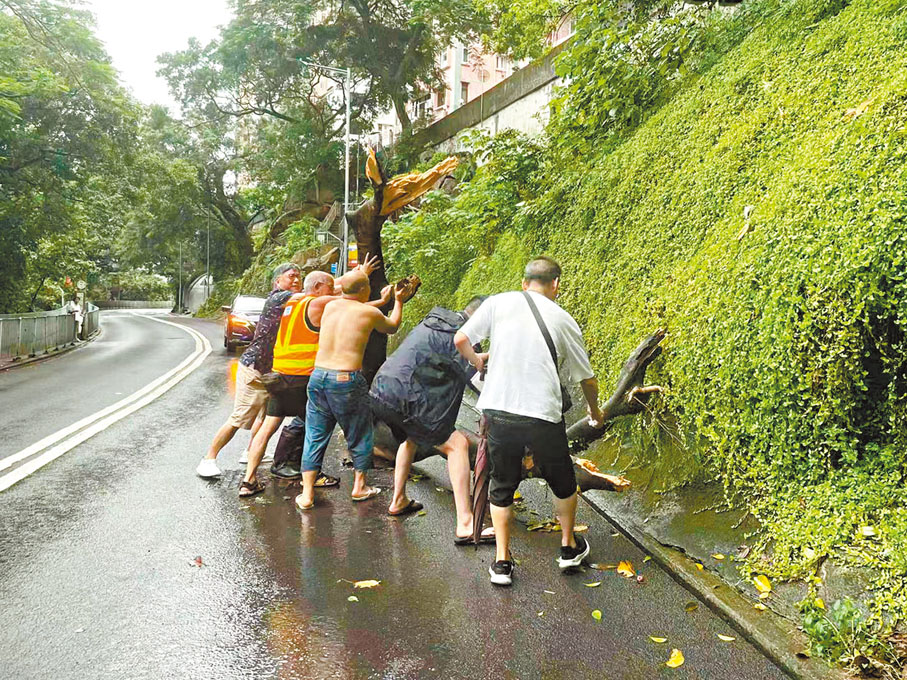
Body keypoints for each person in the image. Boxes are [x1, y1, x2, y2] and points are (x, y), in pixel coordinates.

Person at [454, 256, 605, 586]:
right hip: (542, 414)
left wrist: (478, 361)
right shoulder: (565, 319)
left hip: (499, 410)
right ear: (556, 285)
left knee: (502, 483)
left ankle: (502, 563)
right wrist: (594, 412)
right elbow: (587, 379)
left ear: (524, 283)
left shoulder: (498, 302)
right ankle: (567, 548)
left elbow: (460, 340)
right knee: (563, 480)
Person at [240, 257, 392, 496]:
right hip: (301, 376)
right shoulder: (321, 303)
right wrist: (382, 299)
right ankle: (301, 471)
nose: (333, 291)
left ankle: (249, 480)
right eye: (329, 288)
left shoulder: (293, 303)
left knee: (270, 427)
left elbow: (348, 300)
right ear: (319, 289)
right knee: (314, 428)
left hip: (280, 372)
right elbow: (352, 305)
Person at [369, 297, 489, 543]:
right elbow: (476, 378)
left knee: (411, 438)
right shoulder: (459, 337)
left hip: (381, 390)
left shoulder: (437, 322)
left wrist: (481, 357)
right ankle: (465, 524)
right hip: (405, 397)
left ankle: (398, 500)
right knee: (457, 445)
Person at [295, 271, 415, 510]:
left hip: (318, 376)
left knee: (315, 434)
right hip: (345, 379)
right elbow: (392, 326)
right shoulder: (368, 313)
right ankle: (360, 486)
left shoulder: (330, 307)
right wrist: (397, 301)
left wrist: (378, 301)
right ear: (364, 291)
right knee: (359, 432)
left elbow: (351, 307)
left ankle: (307, 493)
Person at [196, 263, 301, 478]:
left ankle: (250, 451)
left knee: (266, 414)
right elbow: (311, 295)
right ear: (277, 281)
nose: (296, 280)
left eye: (299, 277)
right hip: (254, 367)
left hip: (271, 369)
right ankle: (208, 459)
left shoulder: (291, 303)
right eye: (291, 276)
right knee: (239, 417)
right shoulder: (278, 298)